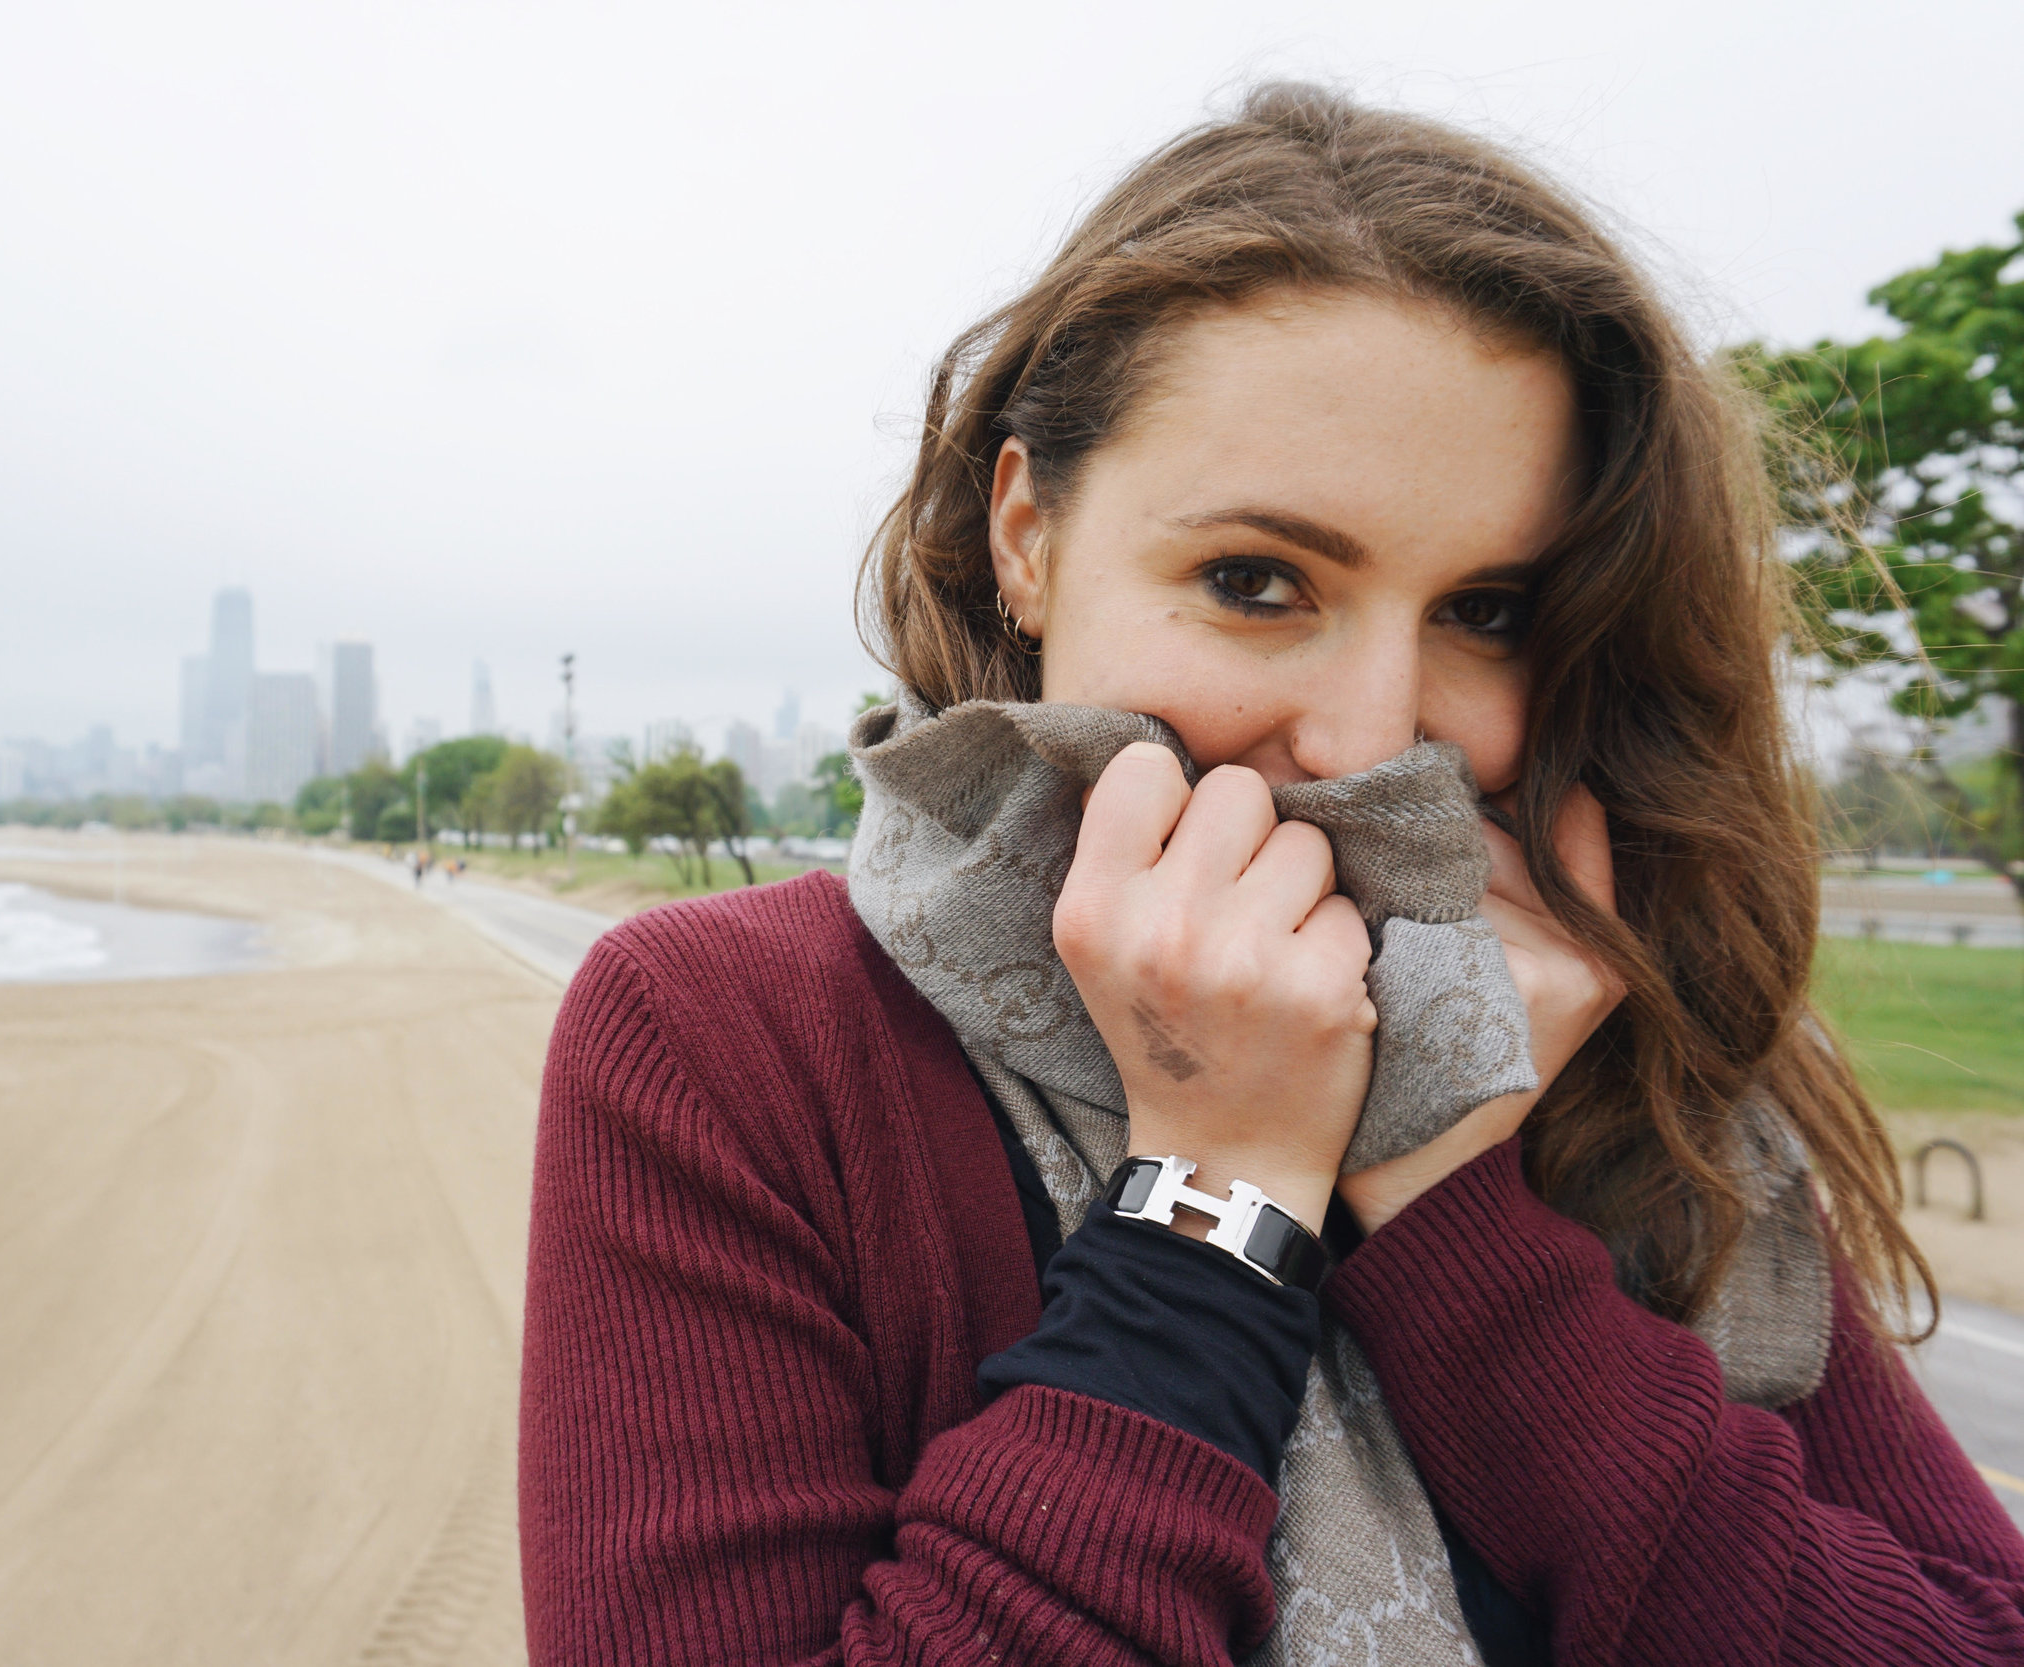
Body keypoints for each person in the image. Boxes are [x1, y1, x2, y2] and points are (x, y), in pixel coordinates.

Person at [518, 86, 2024, 1665]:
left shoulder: (1600, 1041)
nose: (1373, 733)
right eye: (1256, 583)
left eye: (1489, 613)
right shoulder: (734, 1038)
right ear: (1028, 533)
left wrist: (1456, 1206)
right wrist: (1218, 1188)